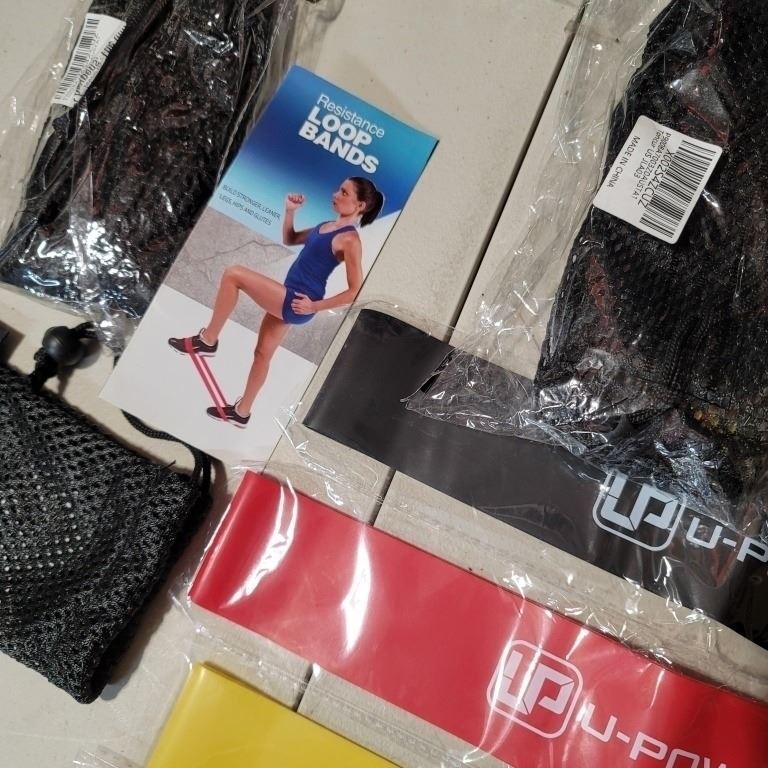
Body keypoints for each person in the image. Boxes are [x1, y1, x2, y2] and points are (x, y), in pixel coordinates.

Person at [168, 176, 384, 427]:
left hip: (297, 302)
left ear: (360, 205)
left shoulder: (350, 240)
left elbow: (355, 290)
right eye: (338, 189)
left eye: (344, 193)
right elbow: (290, 239)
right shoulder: (325, 226)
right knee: (262, 354)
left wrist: (315, 306)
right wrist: (290, 211)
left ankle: (207, 341)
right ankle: (242, 412)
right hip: (288, 293)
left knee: (233, 274)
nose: (335, 194)